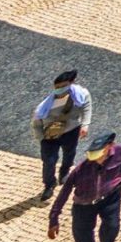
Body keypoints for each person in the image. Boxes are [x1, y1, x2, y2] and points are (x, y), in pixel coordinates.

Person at [47, 129, 121, 242]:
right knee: (82, 233)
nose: (95, 160)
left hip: (110, 197)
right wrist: (54, 218)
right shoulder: (80, 170)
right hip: (84, 203)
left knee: (110, 228)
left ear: (109, 147)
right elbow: (64, 193)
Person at [33, 70, 90, 198]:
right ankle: (49, 184)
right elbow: (36, 122)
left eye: (62, 86)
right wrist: (41, 138)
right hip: (49, 136)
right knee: (48, 161)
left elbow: (86, 108)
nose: (59, 90)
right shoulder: (45, 106)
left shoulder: (81, 95)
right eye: (57, 87)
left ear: (71, 83)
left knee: (69, 153)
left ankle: (64, 172)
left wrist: (85, 125)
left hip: (71, 131)